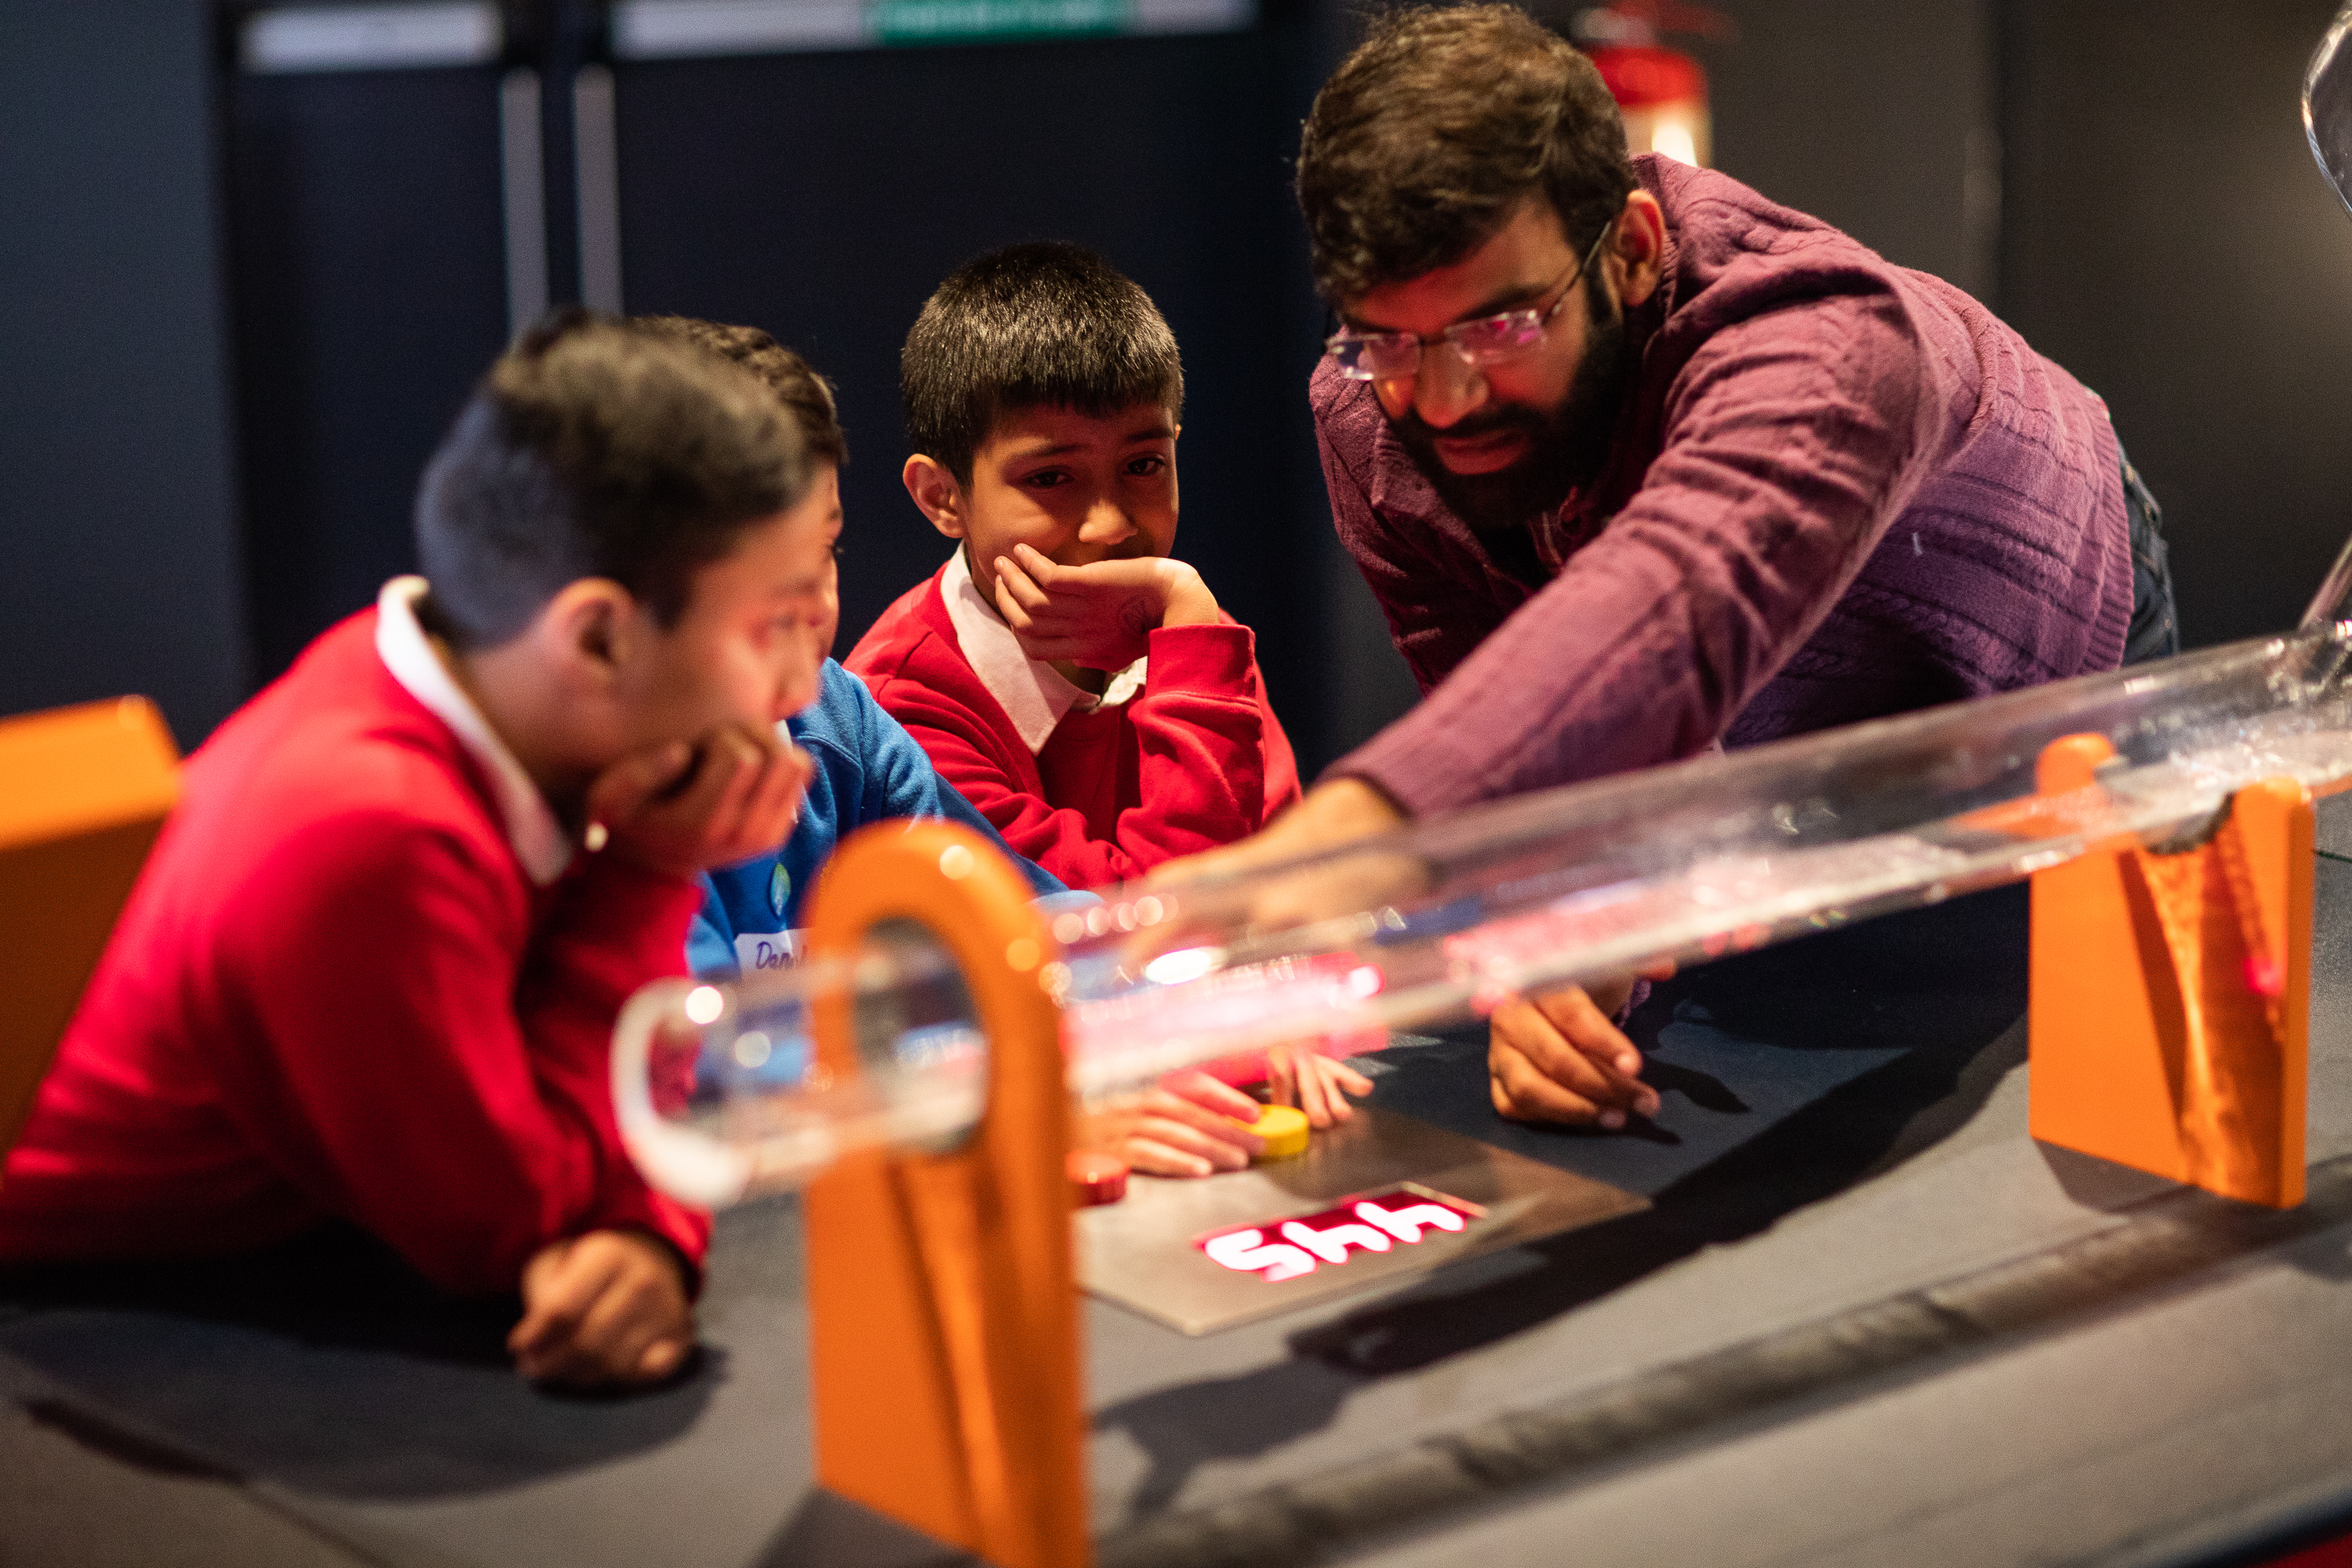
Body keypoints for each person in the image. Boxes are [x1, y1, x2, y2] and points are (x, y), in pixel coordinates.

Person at [1184, 4, 2178, 1130]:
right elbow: (1525, 725)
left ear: (1636, 248)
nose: (1446, 399)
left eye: (1501, 326)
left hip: (2016, 651)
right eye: (1390, 338)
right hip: (1726, 720)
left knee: (2041, 1073)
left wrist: (1354, 842)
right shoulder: (1371, 418)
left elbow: (1679, 594)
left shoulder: (1837, 340)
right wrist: (1548, 936)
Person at [0, 316, 830, 1389]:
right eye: (773, 626)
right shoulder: (369, 828)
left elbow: (581, 1135)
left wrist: (645, 1224)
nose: (802, 689)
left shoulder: (462, 686)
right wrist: (647, 877)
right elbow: (510, 1220)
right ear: (597, 638)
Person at [847, 243, 1369, 1156]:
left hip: (1217, 1111)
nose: (1111, 525)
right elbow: (1145, 934)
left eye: (1144, 464)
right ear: (942, 497)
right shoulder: (902, 703)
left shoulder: (1183, 627)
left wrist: (1285, 997)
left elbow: (1283, 886)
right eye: (1050, 479)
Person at [627, 315, 1067, 983]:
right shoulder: (615, 779)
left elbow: (1010, 914)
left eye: (824, 552)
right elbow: (703, 1062)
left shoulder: (836, 717)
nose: (814, 606)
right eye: (767, 573)